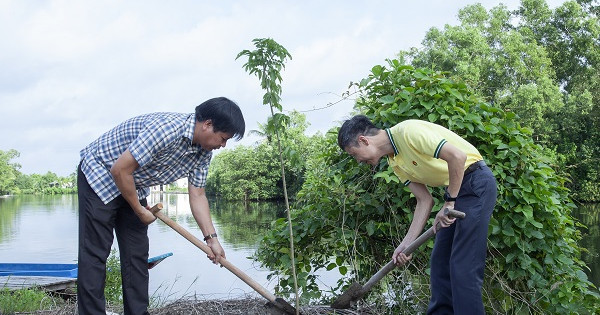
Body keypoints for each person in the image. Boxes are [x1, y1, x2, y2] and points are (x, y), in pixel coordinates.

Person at [77, 97, 245, 315]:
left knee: (136, 254)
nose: (223, 145)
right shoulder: (165, 130)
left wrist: (211, 239)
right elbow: (119, 170)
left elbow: (197, 195)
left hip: (132, 183)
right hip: (101, 174)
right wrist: (139, 210)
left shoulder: (203, 154)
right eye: (223, 138)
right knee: (96, 253)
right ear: (207, 124)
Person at [337, 115, 497, 314]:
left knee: (463, 268)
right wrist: (406, 245)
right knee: (440, 265)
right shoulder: (395, 163)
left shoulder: (408, 132)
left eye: (354, 154)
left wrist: (449, 202)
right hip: (457, 192)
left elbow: (458, 157)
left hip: (476, 184)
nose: (359, 160)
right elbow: (424, 200)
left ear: (363, 140)